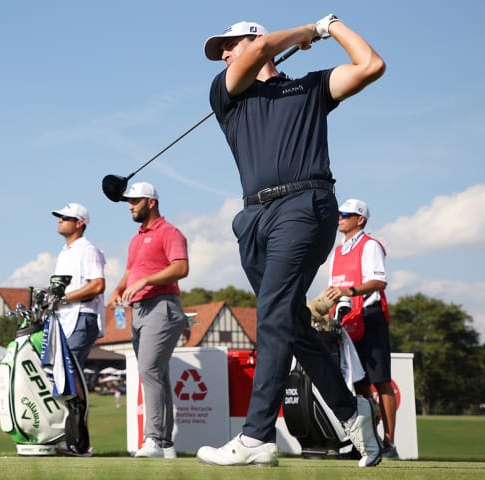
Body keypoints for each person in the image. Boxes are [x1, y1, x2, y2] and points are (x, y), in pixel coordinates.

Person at [195, 15, 386, 468]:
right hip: (252, 218)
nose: (223, 54)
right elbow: (259, 54)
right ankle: (350, 410)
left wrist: (332, 25)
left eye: (229, 44)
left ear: (255, 38)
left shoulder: (310, 87)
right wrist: (307, 32)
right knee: (291, 322)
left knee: (273, 316)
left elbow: (371, 64)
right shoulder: (227, 92)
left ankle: (258, 435)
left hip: (304, 205)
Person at [109, 181, 189, 459]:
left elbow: (181, 268)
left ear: (151, 202)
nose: (130, 205)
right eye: (129, 201)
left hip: (163, 308)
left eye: (135, 201)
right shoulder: (135, 238)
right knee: (158, 374)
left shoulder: (170, 232)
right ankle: (166, 444)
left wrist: (145, 280)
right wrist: (119, 289)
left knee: (150, 370)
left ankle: (153, 438)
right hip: (138, 311)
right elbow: (131, 271)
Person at [324, 198, 398, 459]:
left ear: (360, 219)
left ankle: (389, 444)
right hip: (346, 320)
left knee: (380, 380)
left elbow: (379, 281)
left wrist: (350, 290)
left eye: (345, 214)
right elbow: (334, 288)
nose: (339, 218)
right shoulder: (337, 252)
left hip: (370, 315)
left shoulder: (371, 246)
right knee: (360, 383)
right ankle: (369, 443)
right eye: (339, 213)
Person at [50, 202, 106, 457]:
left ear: (80, 223)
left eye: (66, 217)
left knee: (72, 378)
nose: (60, 220)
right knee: (66, 378)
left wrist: (66, 298)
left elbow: (97, 286)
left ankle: (81, 444)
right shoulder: (65, 253)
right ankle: (74, 440)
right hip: (66, 318)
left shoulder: (88, 250)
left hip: (82, 317)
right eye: (60, 217)